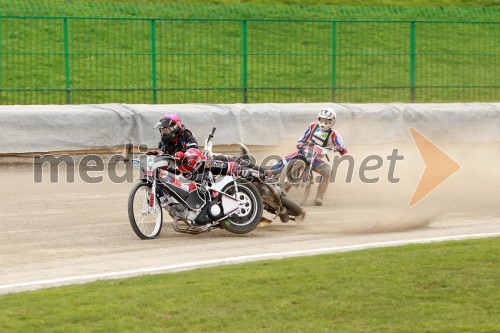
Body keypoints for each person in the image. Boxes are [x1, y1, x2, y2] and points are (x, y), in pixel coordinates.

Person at [275, 108, 349, 206]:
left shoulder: (334, 135)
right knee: (281, 163)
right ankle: (267, 177)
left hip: (316, 160)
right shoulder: (313, 126)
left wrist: (340, 148)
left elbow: (343, 147)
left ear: (332, 122)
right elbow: (303, 137)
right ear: (319, 119)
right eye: (322, 120)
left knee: (327, 171)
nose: (324, 123)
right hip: (302, 153)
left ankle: (319, 196)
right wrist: (300, 143)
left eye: (327, 121)